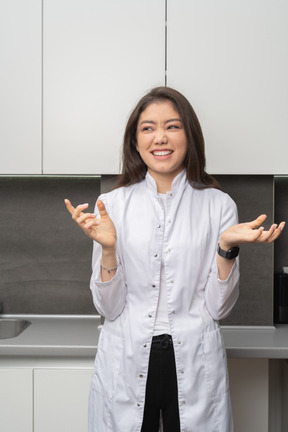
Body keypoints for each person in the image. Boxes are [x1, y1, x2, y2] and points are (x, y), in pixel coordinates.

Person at [65, 87, 285, 432]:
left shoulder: (219, 205)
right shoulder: (112, 205)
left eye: (173, 126)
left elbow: (218, 309)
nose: (160, 138)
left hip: (195, 357)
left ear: (189, 136)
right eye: (148, 128)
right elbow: (108, 309)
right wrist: (109, 249)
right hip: (127, 355)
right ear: (135, 141)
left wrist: (226, 246)